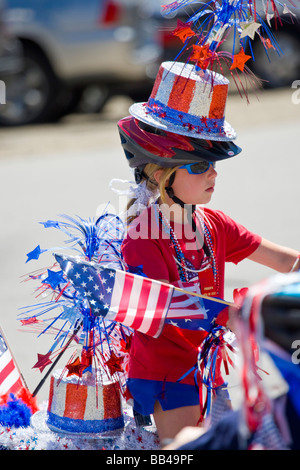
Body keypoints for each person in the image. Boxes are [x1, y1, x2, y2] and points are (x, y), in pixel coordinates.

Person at [117, 61, 300, 444]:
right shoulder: (143, 234)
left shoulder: (215, 223)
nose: (213, 174)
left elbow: (287, 261)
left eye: (214, 163)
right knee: (187, 448)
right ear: (160, 172)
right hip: (167, 371)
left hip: (208, 366)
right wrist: (248, 316)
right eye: (200, 165)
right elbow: (168, 307)